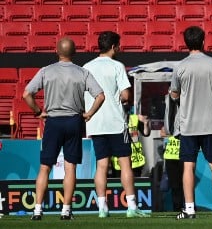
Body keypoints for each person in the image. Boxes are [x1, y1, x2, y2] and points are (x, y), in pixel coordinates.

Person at [22, 37, 106, 221]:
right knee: (70, 168)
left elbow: (27, 94)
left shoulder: (46, 71)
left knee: (45, 167)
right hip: (74, 121)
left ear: (57, 52)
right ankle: (66, 210)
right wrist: (89, 113)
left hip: (53, 121)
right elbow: (100, 95)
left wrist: (38, 112)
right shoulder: (82, 72)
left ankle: (37, 210)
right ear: (74, 52)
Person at [83, 31, 151, 218]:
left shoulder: (86, 67)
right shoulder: (117, 66)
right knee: (125, 164)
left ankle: (102, 209)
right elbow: (126, 95)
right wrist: (120, 98)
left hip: (96, 123)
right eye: (119, 45)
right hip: (115, 123)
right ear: (113, 46)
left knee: (101, 165)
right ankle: (131, 207)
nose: (120, 48)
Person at [170, 25, 212, 219]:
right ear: (203, 41)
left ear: (186, 43)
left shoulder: (180, 66)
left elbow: (174, 93)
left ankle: (189, 209)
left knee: (188, 166)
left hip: (188, 125)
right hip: (211, 124)